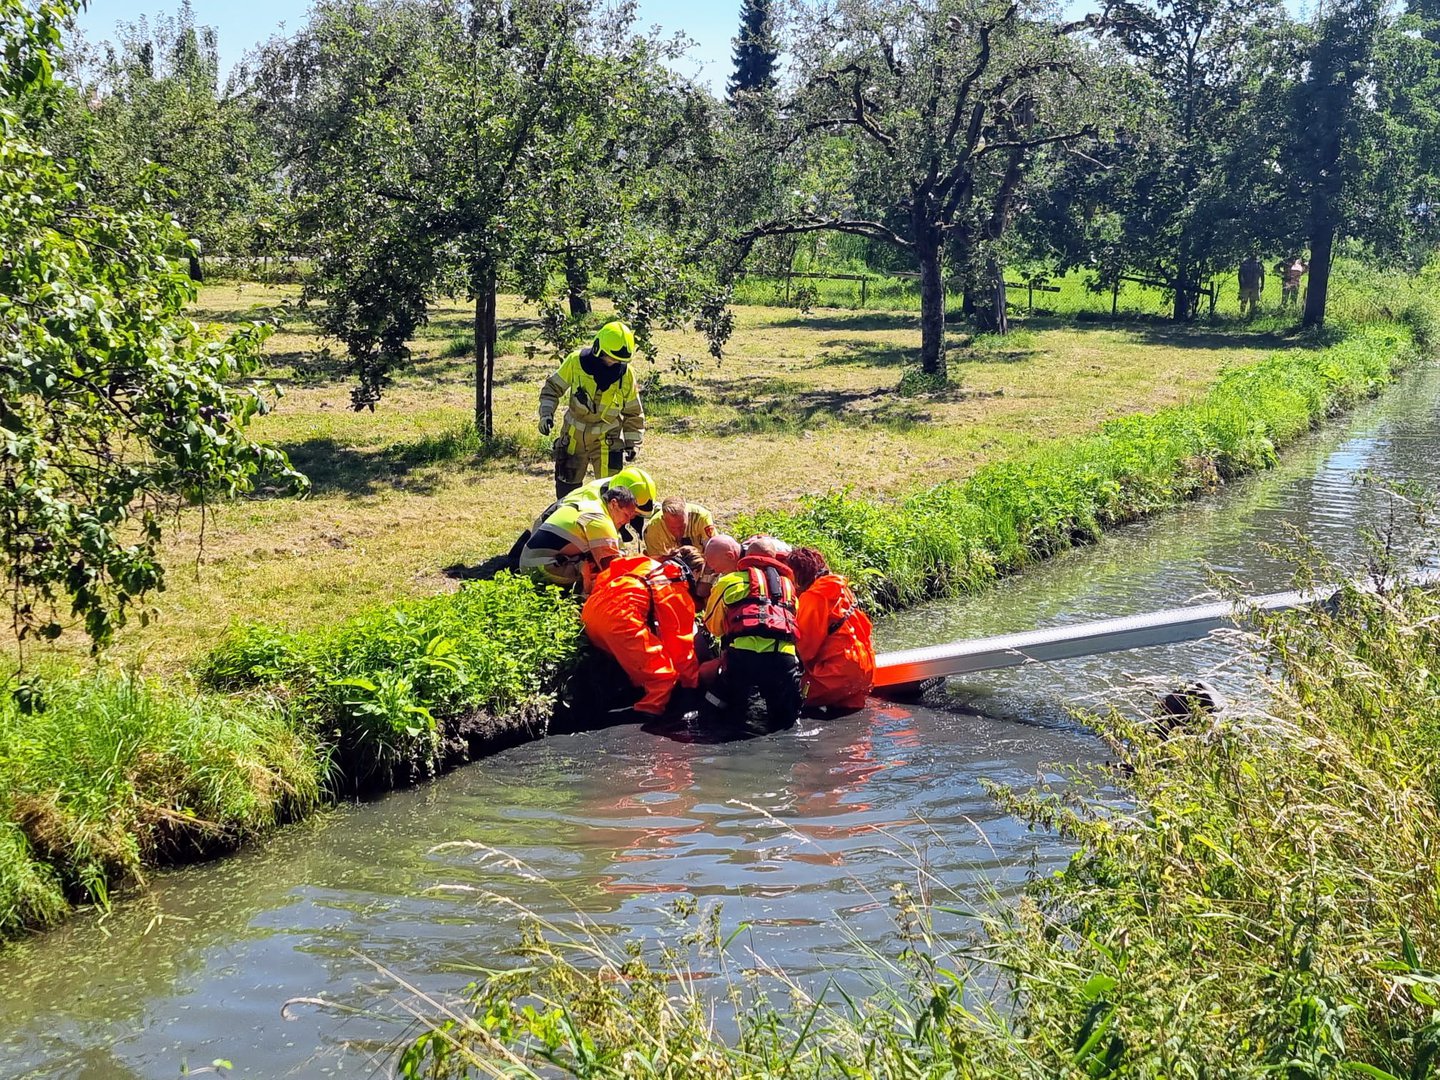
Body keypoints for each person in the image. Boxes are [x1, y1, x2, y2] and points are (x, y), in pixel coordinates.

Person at [581, 546, 707, 716]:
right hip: (620, 623)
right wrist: (692, 684)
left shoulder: (644, 563)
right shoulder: (675, 584)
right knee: (663, 676)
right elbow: (679, 643)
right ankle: (648, 713)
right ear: (696, 571)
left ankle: (632, 688)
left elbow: (607, 574)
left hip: (592, 613)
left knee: (643, 658)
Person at [701, 535, 803, 729]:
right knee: (785, 721)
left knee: (715, 713)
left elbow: (713, 627)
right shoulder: (790, 587)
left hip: (744, 660)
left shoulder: (729, 582)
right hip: (784, 661)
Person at [538, 320, 645, 499]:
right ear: (598, 350)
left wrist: (633, 443)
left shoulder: (626, 375)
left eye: (618, 360)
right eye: (610, 358)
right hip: (573, 437)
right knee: (566, 492)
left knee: (611, 493)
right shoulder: (575, 362)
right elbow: (552, 389)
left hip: (607, 439)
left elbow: (633, 413)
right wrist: (545, 415)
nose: (613, 363)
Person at [788, 547, 875, 713]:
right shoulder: (840, 588)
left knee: (782, 692)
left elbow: (804, 650)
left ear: (798, 576)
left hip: (835, 676)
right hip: (864, 672)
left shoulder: (814, 597)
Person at [517, 483, 639, 591]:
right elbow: (613, 569)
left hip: (530, 559)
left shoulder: (591, 505)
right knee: (598, 575)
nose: (627, 521)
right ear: (613, 504)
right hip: (537, 566)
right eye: (626, 515)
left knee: (593, 563)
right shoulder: (600, 521)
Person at [644, 496, 717, 557]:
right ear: (664, 519)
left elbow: (713, 550)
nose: (678, 533)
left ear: (687, 515)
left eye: (682, 526)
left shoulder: (701, 518)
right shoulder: (653, 528)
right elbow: (655, 560)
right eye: (673, 528)